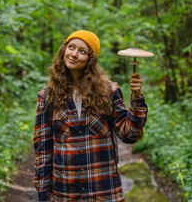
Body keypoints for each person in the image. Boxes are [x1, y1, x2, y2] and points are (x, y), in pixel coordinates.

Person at [33, 30, 148, 201]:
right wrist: (43, 192)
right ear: (63, 50)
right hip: (65, 193)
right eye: (71, 47)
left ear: (91, 59)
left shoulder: (109, 91)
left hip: (104, 191)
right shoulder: (47, 97)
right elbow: (43, 149)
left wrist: (137, 98)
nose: (74, 54)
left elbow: (130, 135)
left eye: (82, 51)